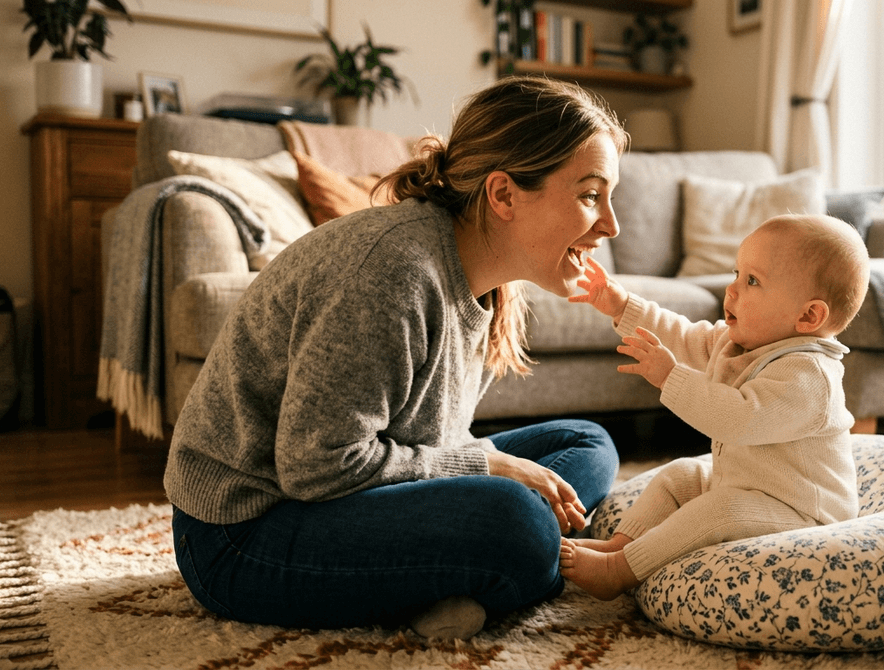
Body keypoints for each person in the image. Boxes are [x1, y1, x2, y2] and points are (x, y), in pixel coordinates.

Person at [165, 76, 626, 639]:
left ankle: (456, 577)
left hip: (347, 491)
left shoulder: (490, 280)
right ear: (503, 194)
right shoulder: (393, 270)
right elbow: (316, 465)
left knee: (586, 444)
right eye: (589, 195)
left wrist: (483, 468)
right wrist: (486, 466)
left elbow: (425, 438)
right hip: (243, 532)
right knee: (519, 522)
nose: (611, 224)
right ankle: (497, 566)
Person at [559, 213, 870, 600]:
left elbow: (739, 419)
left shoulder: (809, 376)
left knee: (721, 509)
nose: (732, 289)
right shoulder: (741, 342)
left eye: (752, 281)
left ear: (808, 316)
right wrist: (623, 307)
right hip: (747, 485)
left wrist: (670, 377)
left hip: (802, 512)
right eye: (737, 272)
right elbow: (686, 337)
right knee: (680, 475)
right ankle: (621, 545)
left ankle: (620, 571)